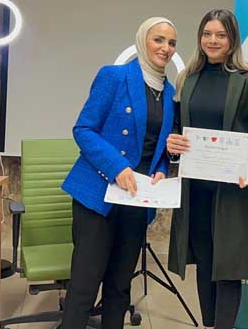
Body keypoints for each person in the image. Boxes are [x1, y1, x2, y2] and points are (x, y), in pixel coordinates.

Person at [59, 17, 178, 329]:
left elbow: (157, 149)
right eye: (158, 39)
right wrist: (116, 166)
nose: (165, 48)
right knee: (84, 286)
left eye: (171, 43)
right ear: (142, 40)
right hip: (98, 195)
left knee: (120, 286)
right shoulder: (114, 76)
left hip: (137, 200)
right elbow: (83, 129)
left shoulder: (170, 93)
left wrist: (161, 170)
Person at [166, 9, 248, 329]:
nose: (212, 40)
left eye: (221, 35)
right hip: (196, 190)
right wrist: (173, 144)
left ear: (232, 39)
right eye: (207, 33)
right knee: (205, 263)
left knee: (227, 267)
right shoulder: (187, 78)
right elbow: (177, 129)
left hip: (232, 191)